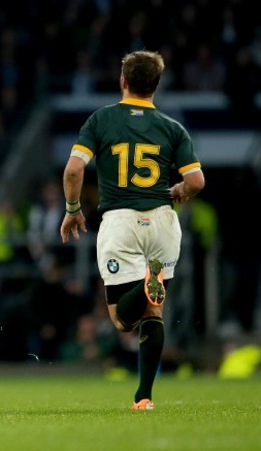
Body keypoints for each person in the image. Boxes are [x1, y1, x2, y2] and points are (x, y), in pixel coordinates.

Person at [59, 50, 205, 411]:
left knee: (123, 320)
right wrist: (179, 191)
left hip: (121, 221)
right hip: (161, 219)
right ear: (155, 85)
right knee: (153, 313)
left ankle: (144, 284)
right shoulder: (173, 128)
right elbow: (197, 180)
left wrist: (73, 210)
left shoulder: (101, 120)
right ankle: (144, 397)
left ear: (123, 81)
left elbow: (74, 171)